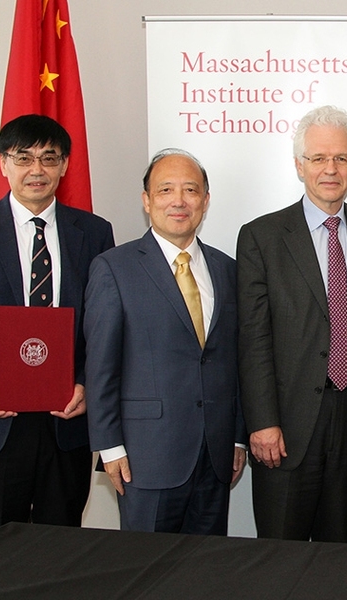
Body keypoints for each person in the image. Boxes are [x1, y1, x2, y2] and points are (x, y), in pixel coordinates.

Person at [0, 114, 115, 539]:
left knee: (61, 550)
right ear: (3, 164)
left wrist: (87, 382)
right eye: (24, 157)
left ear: (65, 165)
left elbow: (106, 323)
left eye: (49, 158)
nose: (37, 170)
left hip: (66, 419)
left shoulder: (93, 232)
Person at [237, 105, 347, 542]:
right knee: (280, 554)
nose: (330, 168)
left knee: (338, 551)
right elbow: (253, 338)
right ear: (299, 165)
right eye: (319, 158)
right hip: (286, 424)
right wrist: (262, 421)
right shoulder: (261, 236)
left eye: (341, 158)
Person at [84, 148, 246, 534]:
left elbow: (236, 363)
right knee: (146, 573)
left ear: (205, 201)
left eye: (190, 190)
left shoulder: (227, 269)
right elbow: (101, 366)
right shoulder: (113, 268)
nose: (179, 200)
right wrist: (109, 446)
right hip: (145, 458)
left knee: (205, 573)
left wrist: (238, 438)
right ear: (146, 201)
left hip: (215, 455)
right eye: (166, 190)